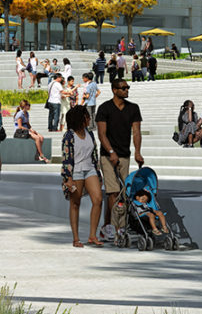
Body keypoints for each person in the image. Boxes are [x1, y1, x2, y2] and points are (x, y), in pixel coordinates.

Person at [59, 104, 104, 248]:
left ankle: (92, 235)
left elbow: (94, 154)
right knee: (75, 203)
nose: (90, 118)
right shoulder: (69, 135)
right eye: (87, 116)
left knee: (98, 199)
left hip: (90, 169)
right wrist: (68, 178)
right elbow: (66, 157)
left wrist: (98, 173)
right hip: (76, 171)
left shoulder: (89, 133)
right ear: (81, 118)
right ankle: (76, 238)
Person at [95, 78, 144, 190]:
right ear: (114, 90)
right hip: (107, 155)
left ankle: (114, 208)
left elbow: (136, 132)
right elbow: (102, 134)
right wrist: (111, 152)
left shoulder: (133, 108)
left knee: (125, 191)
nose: (127, 90)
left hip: (124, 154)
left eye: (128, 88)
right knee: (113, 191)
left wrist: (137, 152)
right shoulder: (104, 108)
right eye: (123, 88)